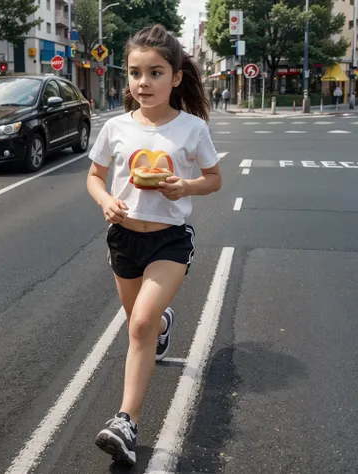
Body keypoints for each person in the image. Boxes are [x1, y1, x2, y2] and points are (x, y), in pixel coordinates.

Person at [87, 24, 221, 466]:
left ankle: (126, 421)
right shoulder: (116, 127)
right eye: (135, 73)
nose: (143, 83)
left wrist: (186, 187)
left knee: (138, 326)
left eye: (155, 73)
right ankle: (164, 324)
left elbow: (214, 180)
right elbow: (94, 176)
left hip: (169, 241)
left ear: (176, 78)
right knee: (141, 322)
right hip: (124, 239)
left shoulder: (192, 129)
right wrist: (107, 201)